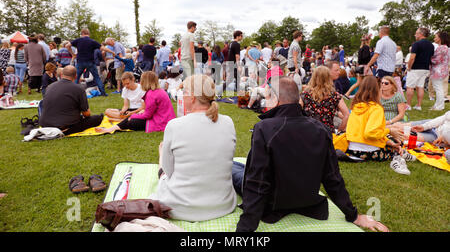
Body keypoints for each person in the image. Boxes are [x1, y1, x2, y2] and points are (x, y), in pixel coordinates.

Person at [232, 76, 389, 232]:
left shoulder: (264, 128)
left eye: (267, 97)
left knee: (233, 168)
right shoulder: (321, 129)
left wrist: (244, 229)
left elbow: (257, 182)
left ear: (276, 98)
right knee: (240, 166)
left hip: (272, 202)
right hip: (307, 201)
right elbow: (332, 178)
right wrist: (352, 215)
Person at [151, 74, 237, 221]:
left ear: (192, 97)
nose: (182, 96)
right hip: (222, 205)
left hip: (180, 208)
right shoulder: (228, 122)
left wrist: (163, 156)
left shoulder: (174, 126)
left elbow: (168, 171)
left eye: (184, 92)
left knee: (163, 175)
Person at [345, 76, 414, 174]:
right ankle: (397, 158)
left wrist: (389, 141)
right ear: (377, 90)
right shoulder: (376, 108)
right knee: (398, 140)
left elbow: (369, 132)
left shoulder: (356, 106)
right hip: (369, 151)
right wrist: (389, 131)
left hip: (352, 150)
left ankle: (398, 151)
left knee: (392, 140)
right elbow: (370, 134)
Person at [96, 71, 175, 134]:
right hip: (164, 120)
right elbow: (149, 110)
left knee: (131, 121)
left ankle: (110, 129)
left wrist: (133, 115)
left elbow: (147, 115)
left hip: (159, 122)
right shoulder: (158, 91)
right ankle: (114, 125)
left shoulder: (151, 94)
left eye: (142, 80)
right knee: (125, 117)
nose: (140, 82)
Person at [39, 65, 104, 135]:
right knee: (97, 118)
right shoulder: (78, 89)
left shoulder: (50, 87)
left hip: (45, 124)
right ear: (76, 76)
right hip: (65, 126)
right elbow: (86, 114)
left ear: (61, 75)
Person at [300, 66, 349, 133]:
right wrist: (340, 130)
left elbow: (295, 113)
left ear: (313, 77)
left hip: (309, 134)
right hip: (328, 134)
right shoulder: (335, 96)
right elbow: (346, 114)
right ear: (329, 78)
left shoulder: (305, 95)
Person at [67, 29, 107, 96]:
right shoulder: (92, 41)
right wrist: (112, 52)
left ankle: (72, 93)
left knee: (76, 78)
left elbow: (67, 46)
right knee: (96, 77)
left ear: (82, 33)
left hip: (80, 62)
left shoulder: (78, 40)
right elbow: (103, 48)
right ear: (88, 34)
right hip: (90, 62)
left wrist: (72, 54)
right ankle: (103, 92)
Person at [405, 27, 435, 111]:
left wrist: (409, 67)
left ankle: (408, 105)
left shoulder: (416, 44)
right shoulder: (431, 45)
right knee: (420, 86)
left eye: (416, 33)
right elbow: (431, 57)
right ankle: (418, 105)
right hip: (425, 68)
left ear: (421, 34)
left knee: (410, 87)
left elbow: (412, 58)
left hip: (415, 68)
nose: (415, 35)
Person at [429, 31, 449, 111]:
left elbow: (436, 60)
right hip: (442, 70)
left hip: (438, 70)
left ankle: (440, 106)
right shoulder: (445, 47)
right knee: (438, 88)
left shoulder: (441, 48)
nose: (434, 38)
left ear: (440, 38)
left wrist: (429, 58)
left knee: (438, 88)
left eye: (436, 37)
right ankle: (437, 105)